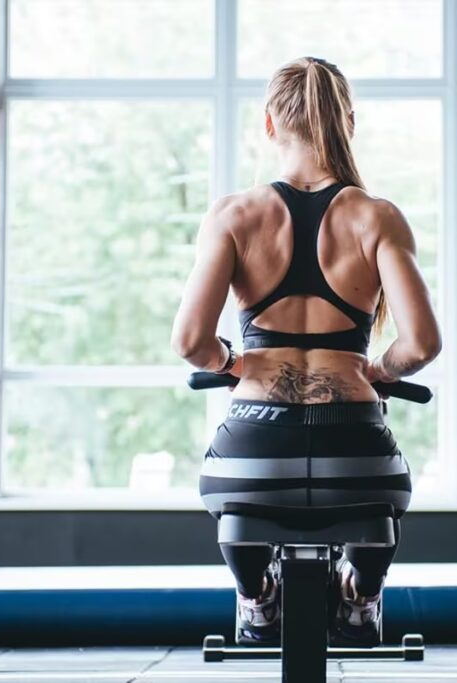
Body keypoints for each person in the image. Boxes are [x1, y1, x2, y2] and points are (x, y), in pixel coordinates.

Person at [170, 56, 441, 647]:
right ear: (348, 122)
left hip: (255, 452)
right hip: (356, 449)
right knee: (383, 492)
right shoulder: (376, 218)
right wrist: (378, 369)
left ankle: (257, 597)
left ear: (270, 124)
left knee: (232, 493)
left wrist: (232, 363)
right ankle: (360, 594)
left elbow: (191, 342)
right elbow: (420, 345)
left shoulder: (234, 216)